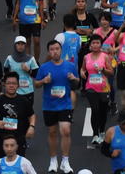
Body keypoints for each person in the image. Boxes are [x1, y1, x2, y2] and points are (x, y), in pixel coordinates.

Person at [35, 39, 79, 173]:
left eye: (57, 49)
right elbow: (36, 84)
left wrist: (73, 78)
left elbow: (77, 83)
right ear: (49, 52)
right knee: (52, 132)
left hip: (65, 104)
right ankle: (53, 160)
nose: (55, 52)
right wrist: (44, 80)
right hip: (49, 105)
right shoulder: (44, 67)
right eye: (52, 49)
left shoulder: (70, 66)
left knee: (66, 130)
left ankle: (65, 161)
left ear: (61, 50)